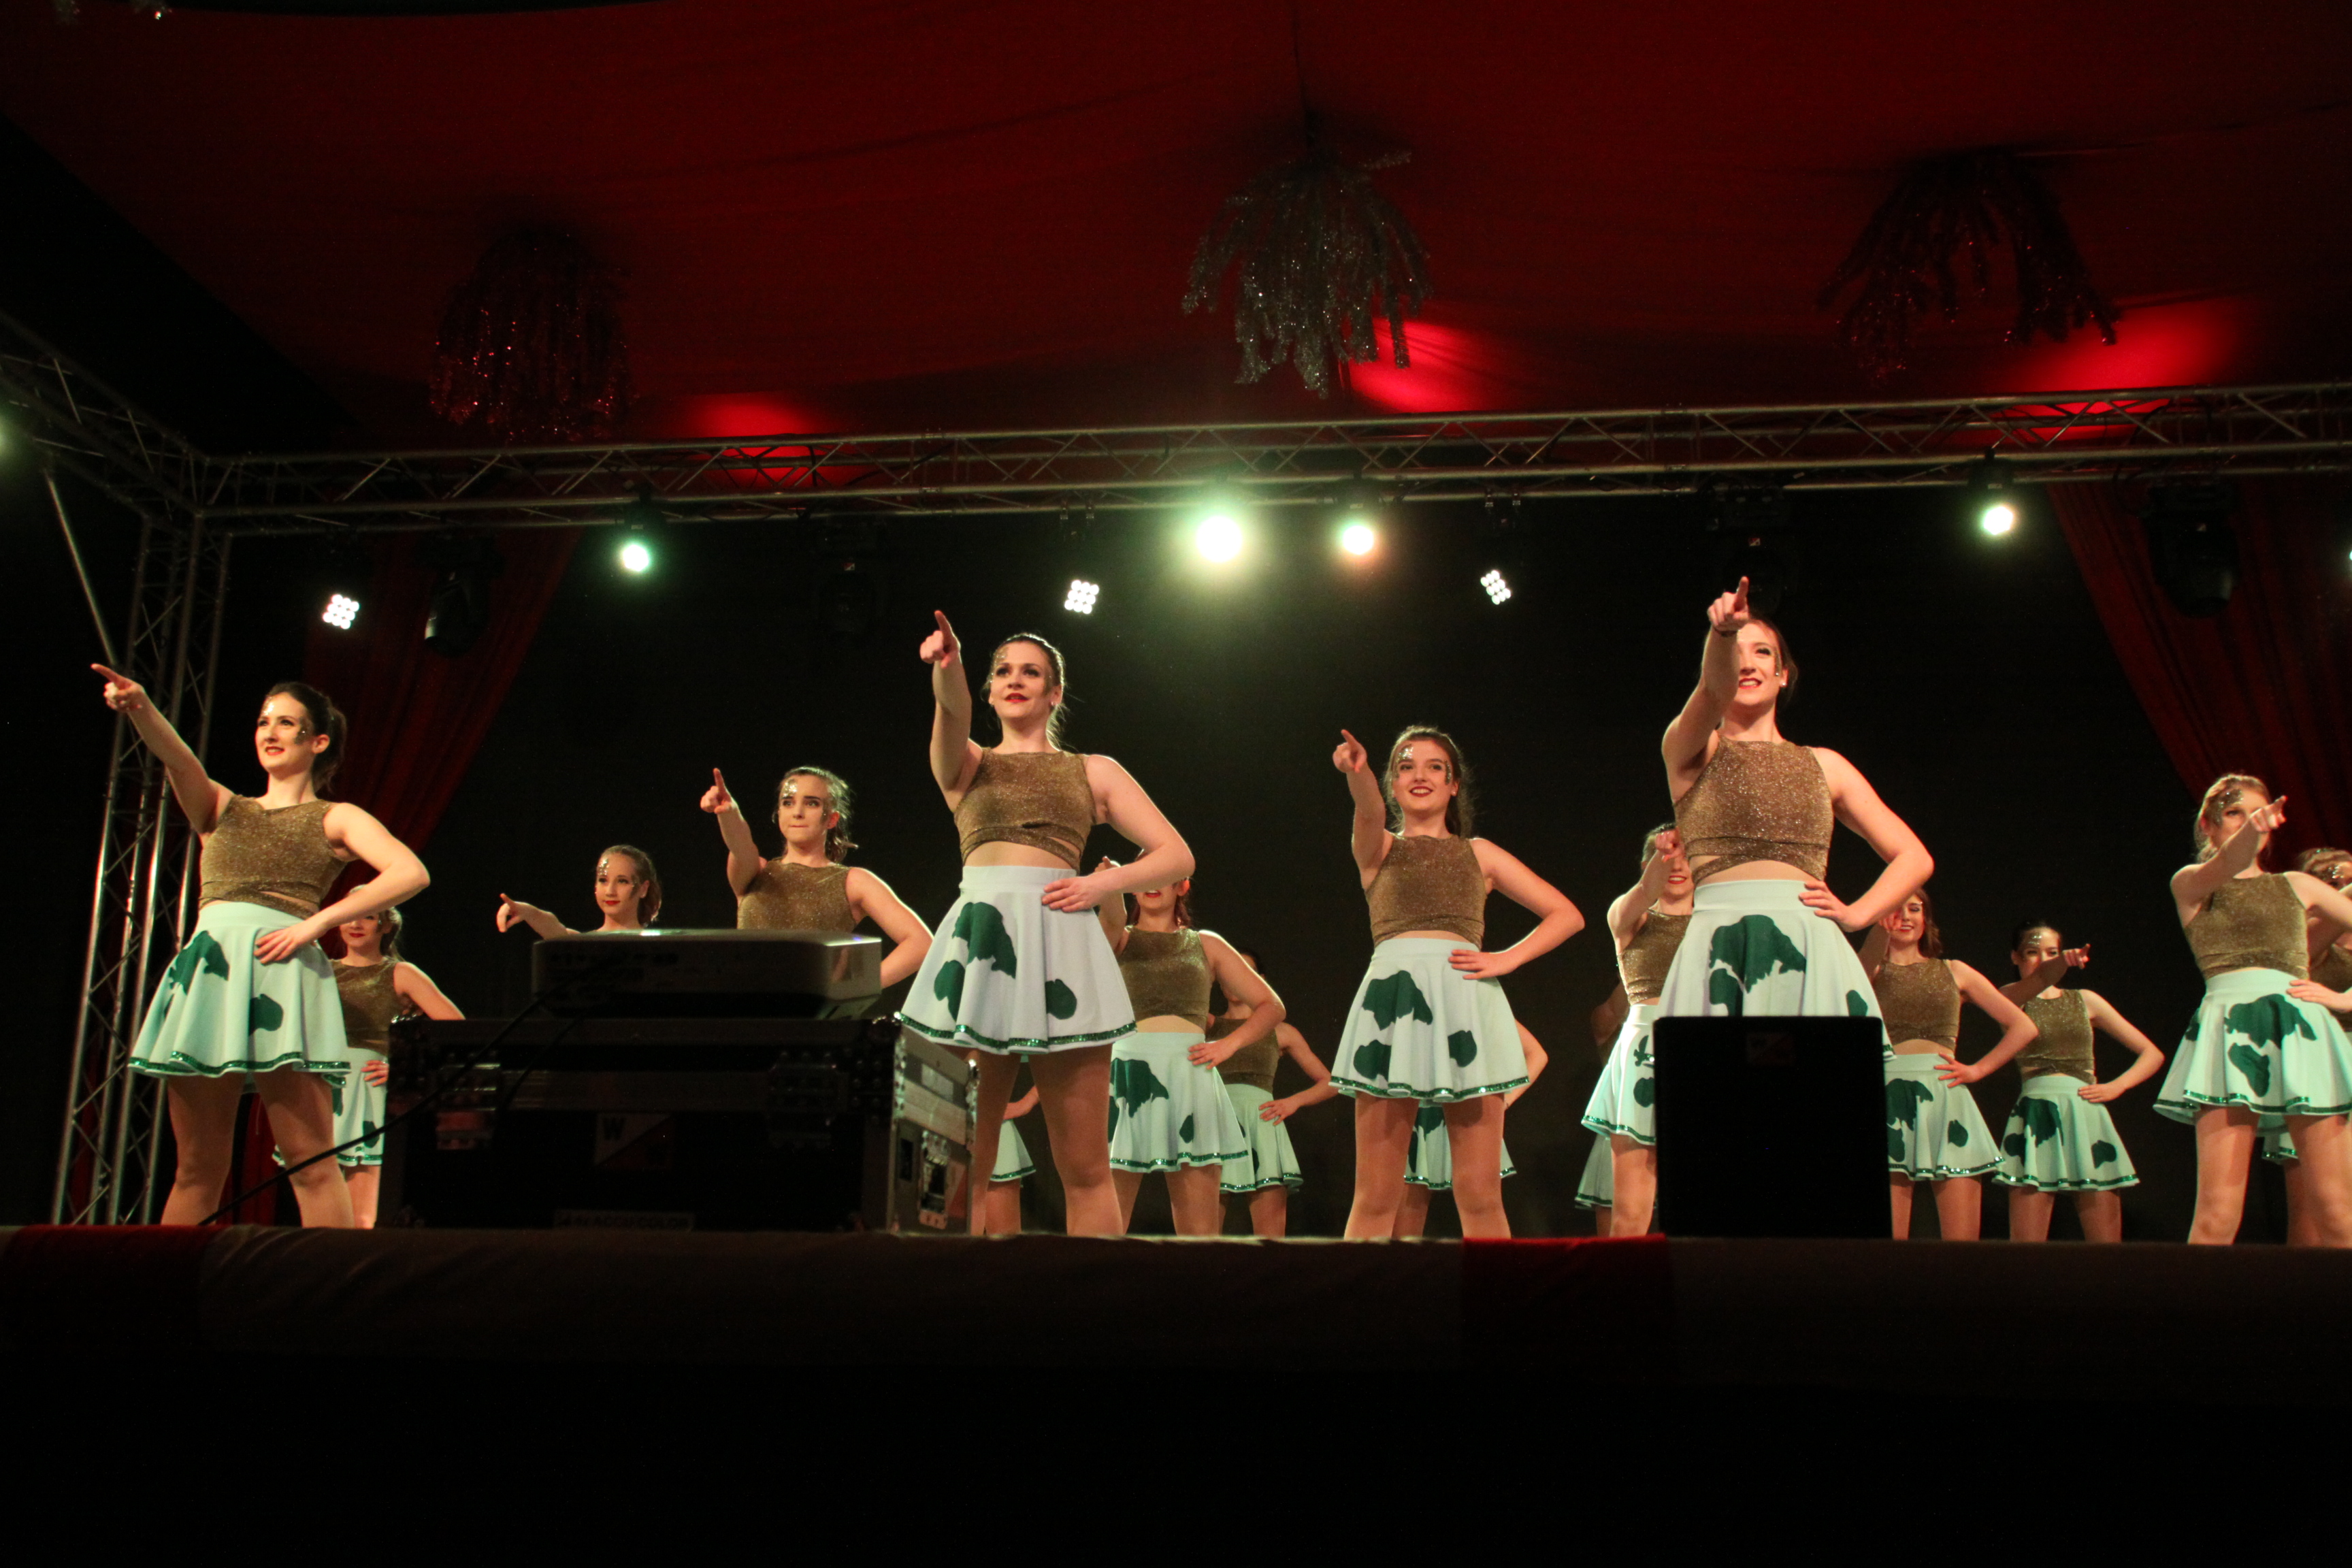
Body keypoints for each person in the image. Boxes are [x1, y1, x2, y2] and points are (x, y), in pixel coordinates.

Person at [95, 667, 429, 1228]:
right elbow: (179, 759)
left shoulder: (335, 816)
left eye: (287, 723)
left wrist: (315, 924)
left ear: (317, 742)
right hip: (211, 977)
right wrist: (142, 707)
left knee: (312, 1162)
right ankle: (166, 1281)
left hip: (282, 974)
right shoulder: (223, 806)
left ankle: (336, 1281)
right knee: (196, 1169)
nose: (270, 732)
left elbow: (410, 871)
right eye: (263, 722)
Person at [896, 616, 1193, 1237]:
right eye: (1003, 671)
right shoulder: (967, 764)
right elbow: (951, 714)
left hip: (1061, 945)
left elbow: (1176, 855)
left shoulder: (1092, 770)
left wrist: (1101, 885)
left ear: (1054, 692)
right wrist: (948, 667)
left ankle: (1093, 1291)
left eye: (1031, 672)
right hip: (980, 947)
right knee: (958, 1157)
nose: (1015, 680)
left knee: (1084, 1166)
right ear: (987, 689)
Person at [1328, 725, 1583, 1240]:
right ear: (1392, 783)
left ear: (1454, 784)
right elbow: (1369, 812)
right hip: (1392, 1005)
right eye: (1405, 766)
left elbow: (1567, 915)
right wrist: (1358, 775)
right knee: (1376, 1196)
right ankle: (1360, 1293)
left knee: (1481, 1194)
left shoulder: (1480, 853)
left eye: (1434, 767)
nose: (1419, 775)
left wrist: (1507, 959)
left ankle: (1495, 1291)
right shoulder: (1379, 848)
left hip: (1464, 1004)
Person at [1652, 577, 1931, 1044]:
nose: (1747, 662)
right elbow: (1713, 693)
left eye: (1762, 652)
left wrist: (1857, 915)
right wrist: (1723, 632)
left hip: (1807, 944)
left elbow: (1915, 857)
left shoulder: (1826, 765)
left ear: (1783, 674)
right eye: (1737, 652)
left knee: (1811, 1086)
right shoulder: (1692, 751)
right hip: (1720, 941)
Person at [2161, 777, 2352, 1246]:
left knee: (2336, 1210)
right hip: (2229, 1035)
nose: (2250, 823)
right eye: (2235, 813)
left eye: (2258, 813)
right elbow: (2229, 862)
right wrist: (2253, 830)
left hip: (2302, 1032)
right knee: (2217, 1215)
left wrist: (2346, 1000)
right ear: (2207, 824)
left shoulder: (2298, 885)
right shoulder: (2191, 883)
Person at [1094, 875, 1281, 1235]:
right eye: (1143, 876)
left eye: (1162, 877)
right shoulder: (1120, 937)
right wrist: (1113, 882)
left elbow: (1271, 1006)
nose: (1152, 884)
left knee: (1199, 1231)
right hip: (1127, 1076)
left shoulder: (1206, 944)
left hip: (1189, 1076)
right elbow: (1110, 918)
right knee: (1105, 1221)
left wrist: (1228, 1044)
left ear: (1182, 886)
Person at [1859, 889, 2036, 1240]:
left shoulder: (1955, 971)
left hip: (1944, 1097)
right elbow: (1861, 969)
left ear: (1926, 919)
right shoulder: (1871, 970)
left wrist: (1977, 1070)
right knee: (1886, 1244)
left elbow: (2024, 1027)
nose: (1905, 916)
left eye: (1914, 909)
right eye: (1895, 909)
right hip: (1889, 1098)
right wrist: (1879, 930)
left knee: (1962, 1245)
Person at [1991, 923, 2166, 1243]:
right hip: (2036, 1116)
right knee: (2025, 1249)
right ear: (2015, 957)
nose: (2043, 960)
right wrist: (2060, 963)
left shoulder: (2086, 1000)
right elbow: (2037, 981)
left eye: (2052, 953)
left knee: (2106, 1247)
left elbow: (2151, 1053)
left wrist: (2118, 1085)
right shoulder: (2008, 998)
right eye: (2032, 952)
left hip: (2084, 1113)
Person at [698, 766, 931, 987]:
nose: (797, 812)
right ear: (779, 813)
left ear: (831, 819)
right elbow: (741, 846)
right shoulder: (756, 871)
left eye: (812, 803)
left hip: (810, 1013)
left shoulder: (853, 882)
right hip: (743, 1008)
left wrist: (856, 988)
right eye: (788, 803)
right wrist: (730, 813)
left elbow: (920, 943)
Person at [1582, 825, 1694, 1237]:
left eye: (1685, 855)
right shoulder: (1630, 918)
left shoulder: (1716, 922)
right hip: (1645, 1055)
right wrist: (1663, 859)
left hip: (1704, 1048)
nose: (1675, 864)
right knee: (1630, 1211)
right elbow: (1645, 892)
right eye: (1663, 856)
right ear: (1647, 864)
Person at [327, 907, 463, 1227]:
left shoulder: (400, 973)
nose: (355, 923)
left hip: (367, 1091)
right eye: (349, 915)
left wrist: (405, 1069)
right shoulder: (322, 970)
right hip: (324, 1089)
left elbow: (458, 1030)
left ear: (385, 925)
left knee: (362, 1216)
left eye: (368, 916)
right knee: (325, 1212)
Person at [1207, 947, 1335, 1238]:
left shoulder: (1281, 1031)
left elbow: (1330, 1081)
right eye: (1229, 973)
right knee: (1203, 1237)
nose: (1237, 980)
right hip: (1217, 1127)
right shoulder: (1208, 1025)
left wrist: (1294, 1102)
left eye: (1246, 972)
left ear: (1260, 980)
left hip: (1262, 1128)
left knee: (1271, 1238)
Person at [1394, 1023, 1546, 1239]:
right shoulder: (1412, 1006)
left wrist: (1504, 1102)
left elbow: (1536, 1055)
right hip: (1417, 1118)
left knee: (1483, 1209)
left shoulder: (1477, 1003)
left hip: (1468, 1116)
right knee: (1404, 1229)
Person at [495, 845, 662, 936]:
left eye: (622, 881)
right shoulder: (582, 945)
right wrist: (528, 912)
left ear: (643, 889)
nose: (610, 891)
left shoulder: (659, 946)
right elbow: (556, 929)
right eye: (603, 880)